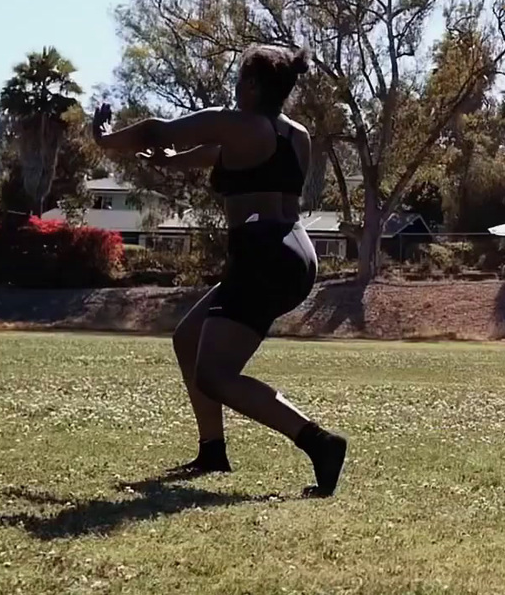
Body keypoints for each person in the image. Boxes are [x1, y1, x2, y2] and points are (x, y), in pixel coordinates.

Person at [90, 44, 348, 498]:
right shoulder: (295, 135)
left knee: (215, 374)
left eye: (239, 79)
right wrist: (173, 162)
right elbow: (227, 157)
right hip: (294, 251)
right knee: (188, 339)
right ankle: (213, 449)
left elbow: (158, 129)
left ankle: (319, 443)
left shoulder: (237, 123)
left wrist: (106, 139)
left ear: (251, 85)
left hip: (263, 254)